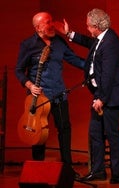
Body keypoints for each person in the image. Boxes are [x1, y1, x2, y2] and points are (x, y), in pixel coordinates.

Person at [55, 8, 119, 184]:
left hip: (109, 96)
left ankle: (118, 174)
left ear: (96, 26)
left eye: (88, 26)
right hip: (100, 94)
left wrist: (101, 99)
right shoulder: (101, 38)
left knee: (112, 135)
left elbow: (108, 75)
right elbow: (89, 42)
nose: (87, 28)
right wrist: (69, 34)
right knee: (95, 133)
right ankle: (98, 171)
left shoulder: (110, 42)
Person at [15, 12, 85, 179]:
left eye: (52, 21)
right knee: (38, 133)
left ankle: (67, 170)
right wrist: (30, 85)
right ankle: (37, 171)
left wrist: (94, 66)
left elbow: (75, 59)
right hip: (38, 97)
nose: (53, 24)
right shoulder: (28, 44)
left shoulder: (59, 43)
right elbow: (19, 70)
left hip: (58, 94)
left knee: (64, 129)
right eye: (48, 22)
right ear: (38, 27)